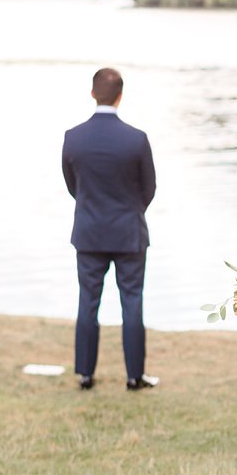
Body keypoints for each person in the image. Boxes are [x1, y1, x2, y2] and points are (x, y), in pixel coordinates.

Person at [61, 67, 158, 391]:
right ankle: (134, 376)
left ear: (92, 94)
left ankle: (85, 374)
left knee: (88, 302)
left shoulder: (73, 137)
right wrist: (130, 212)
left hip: (89, 232)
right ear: (120, 95)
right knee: (132, 302)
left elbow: (73, 185)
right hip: (129, 233)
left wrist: (93, 209)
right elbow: (149, 188)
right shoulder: (136, 139)